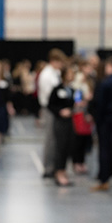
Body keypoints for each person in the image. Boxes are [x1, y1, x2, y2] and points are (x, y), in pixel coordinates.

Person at [91, 56, 112, 191]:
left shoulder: (106, 83)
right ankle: (111, 174)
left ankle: (104, 178)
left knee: (104, 149)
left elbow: (100, 103)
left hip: (105, 121)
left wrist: (96, 117)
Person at [37, 49, 66, 178]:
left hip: (56, 108)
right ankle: (48, 167)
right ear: (53, 61)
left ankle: (55, 166)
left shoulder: (56, 73)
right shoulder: (46, 75)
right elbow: (50, 96)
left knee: (57, 140)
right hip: (49, 109)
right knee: (50, 139)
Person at [48, 65, 77, 187]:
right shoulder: (57, 89)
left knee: (68, 146)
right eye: (69, 73)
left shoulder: (73, 90)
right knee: (60, 147)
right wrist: (60, 111)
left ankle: (64, 171)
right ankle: (58, 172)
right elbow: (51, 105)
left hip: (70, 121)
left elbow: (74, 104)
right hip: (60, 121)